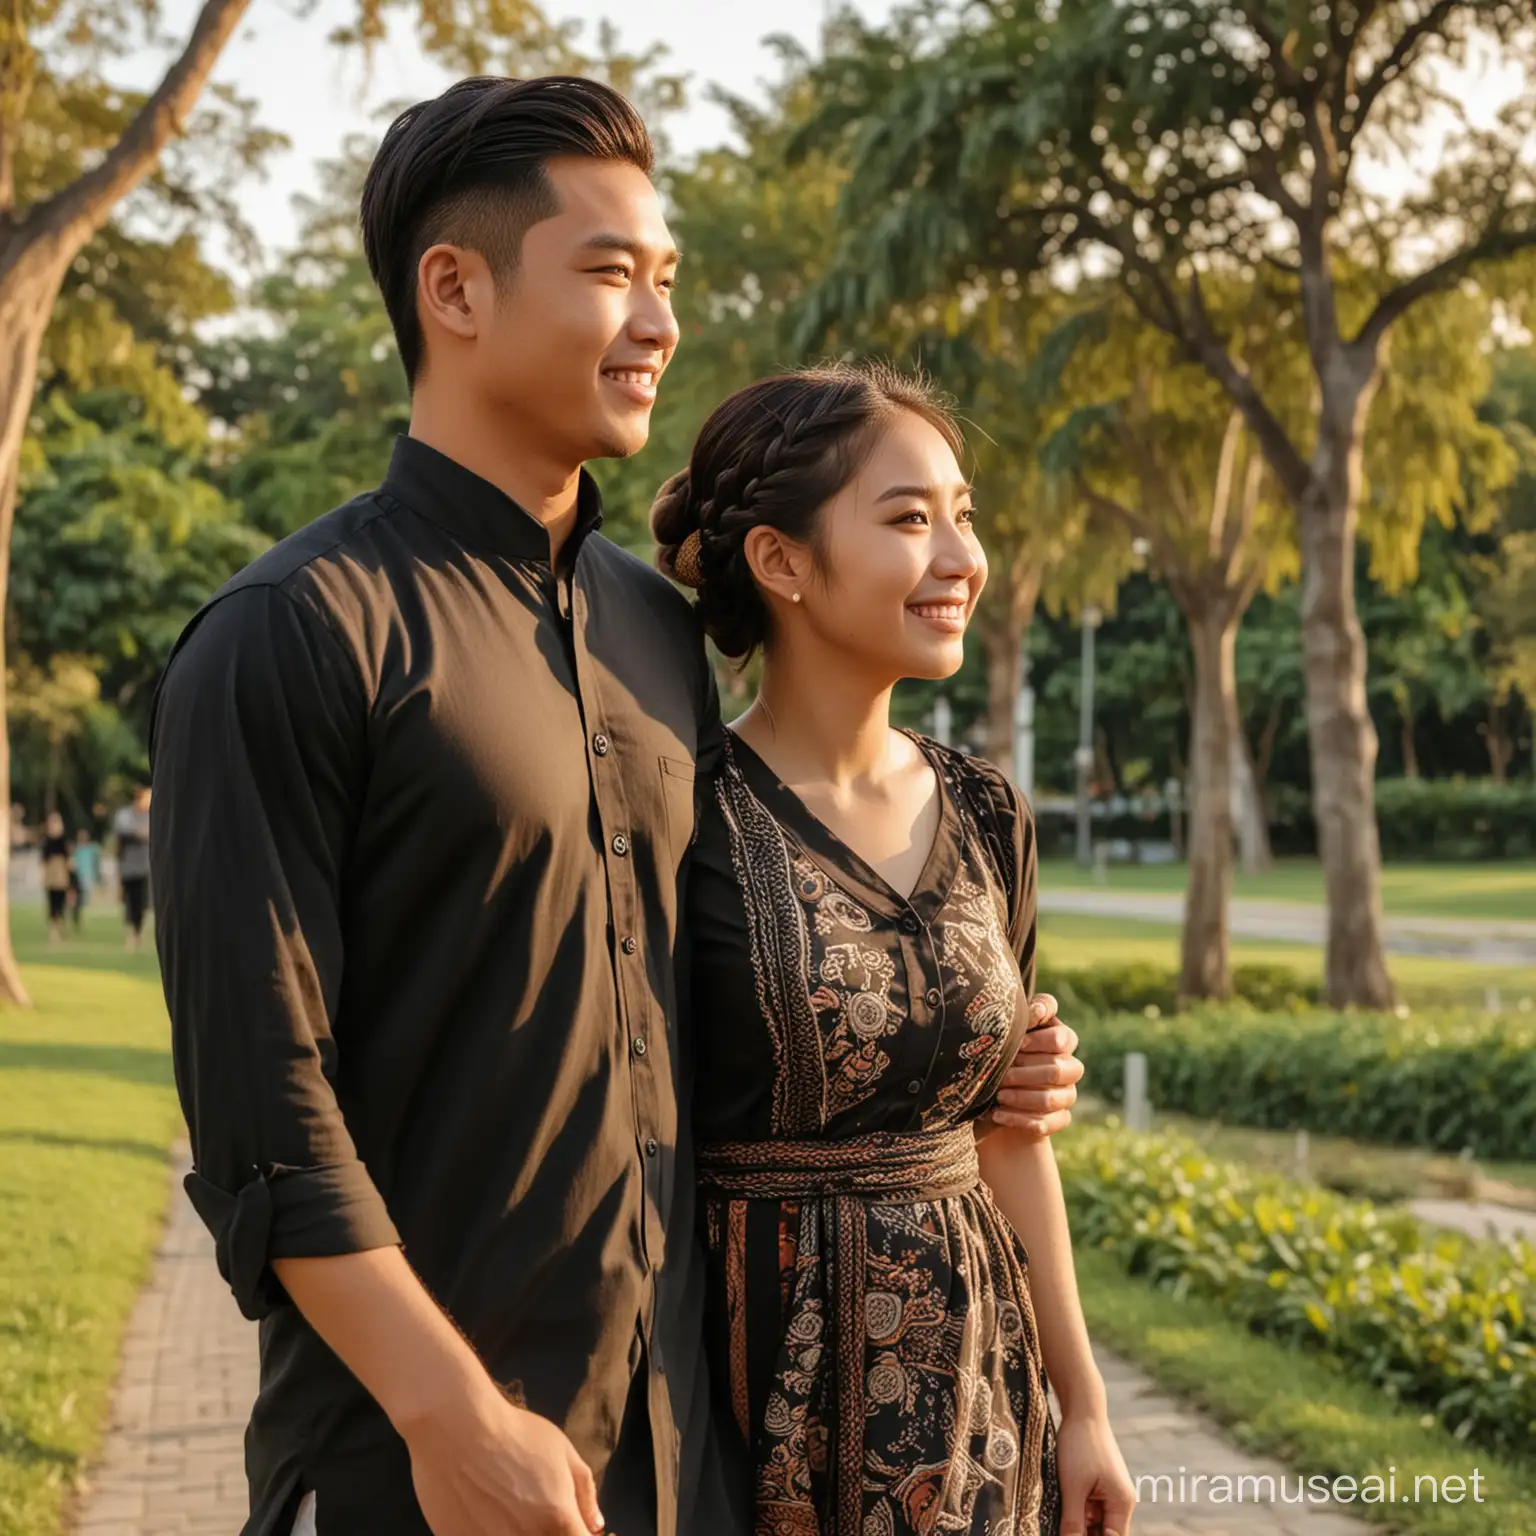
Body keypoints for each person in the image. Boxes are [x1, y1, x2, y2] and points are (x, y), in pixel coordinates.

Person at [150, 76, 1084, 1536]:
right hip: (421, 1462)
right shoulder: (294, 633)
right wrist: (448, 1418)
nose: (658, 324)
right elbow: (264, 1117)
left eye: (667, 282)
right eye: (608, 275)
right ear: (452, 288)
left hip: (686, 1447)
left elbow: (708, 983)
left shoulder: (657, 637)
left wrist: (970, 1057)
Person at [653, 365, 1138, 1536]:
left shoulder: (986, 812)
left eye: (962, 515)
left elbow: (1011, 1133)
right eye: (910, 519)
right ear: (781, 562)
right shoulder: (685, 815)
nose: (962, 556)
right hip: (749, 1397)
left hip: (982, 1386)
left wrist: (1087, 1406)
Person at [113, 787, 152, 952]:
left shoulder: (150, 815)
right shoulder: (125, 815)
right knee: (130, 902)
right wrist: (140, 834)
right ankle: (130, 935)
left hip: (145, 866)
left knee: (142, 903)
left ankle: (139, 934)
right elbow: (123, 835)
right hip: (129, 867)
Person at [40, 812, 71, 947]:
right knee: (52, 903)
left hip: (61, 874)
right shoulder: (46, 841)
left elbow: (68, 859)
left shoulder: (64, 840)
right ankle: (54, 931)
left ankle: (62, 927)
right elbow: (43, 861)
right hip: (51, 874)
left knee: (61, 903)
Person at [70, 827, 102, 931]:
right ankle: (76, 919)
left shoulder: (92, 849)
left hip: (88, 878)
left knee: (84, 900)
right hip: (77, 879)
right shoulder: (76, 850)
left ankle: (79, 919)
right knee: (78, 901)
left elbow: (96, 863)